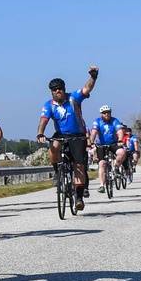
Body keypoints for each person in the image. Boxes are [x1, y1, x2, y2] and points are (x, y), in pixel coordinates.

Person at [36, 66, 99, 210]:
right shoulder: (49, 105)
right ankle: (57, 170)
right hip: (61, 134)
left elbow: (86, 89)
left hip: (77, 135)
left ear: (64, 89)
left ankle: (79, 197)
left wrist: (93, 77)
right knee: (53, 147)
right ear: (51, 92)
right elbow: (43, 120)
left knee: (79, 167)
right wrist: (40, 133)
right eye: (55, 89)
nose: (58, 91)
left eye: (60, 88)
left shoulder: (73, 98)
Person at [89, 105, 127, 193]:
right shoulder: (98, 121)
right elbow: (94, 132)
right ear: (101, 114)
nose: (107, 114)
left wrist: (120, 139)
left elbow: (119, 131)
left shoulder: (114, 120)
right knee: (102, 163)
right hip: (101, 145)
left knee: (121, 153)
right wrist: (91, 141)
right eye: (105, 113)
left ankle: (116, 167)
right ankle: (102, 185)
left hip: (113, 143)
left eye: (109, 112)